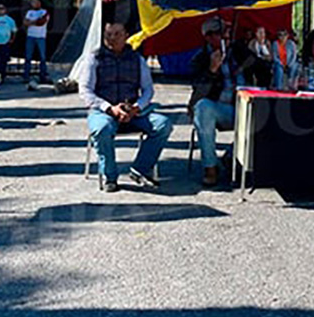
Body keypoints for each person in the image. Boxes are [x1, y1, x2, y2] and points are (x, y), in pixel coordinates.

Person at [79, 23, 173, 193]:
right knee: (102, 129)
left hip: (134, 111)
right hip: (104, 110)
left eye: (116, 34)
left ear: (126, 35)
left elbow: (148, 89)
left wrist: (137, 108)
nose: (112, 38)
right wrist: (110, 108)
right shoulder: (94, 58)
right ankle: (110, 176)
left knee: (163, 124)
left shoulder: (137, 59)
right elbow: (85, 91)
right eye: (108, 34)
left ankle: (139, 169)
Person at [189, 17, 236, 186]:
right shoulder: (200, 59)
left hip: (244, 106)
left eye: (228, 34)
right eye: (221, 34)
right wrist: (212, 70)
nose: (226, 38)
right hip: (218, 108)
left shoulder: (239, 51)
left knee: (268, 111)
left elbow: (262, 68)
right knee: (203, 108)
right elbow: (199, 93)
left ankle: (231, 155)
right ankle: (210, 167)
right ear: (208, 37)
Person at [23, 0, 50, 86]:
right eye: (32, 2)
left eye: (36, 2)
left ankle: (43, 75)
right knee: (28, 57)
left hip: (41, 37)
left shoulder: (44, 12)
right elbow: (25, 23)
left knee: (42, 57)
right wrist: (33, 22)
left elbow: (41, 22)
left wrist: (32, 22)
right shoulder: (29, 12)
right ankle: (26, 76)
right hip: (30, 36)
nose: (34, 4)